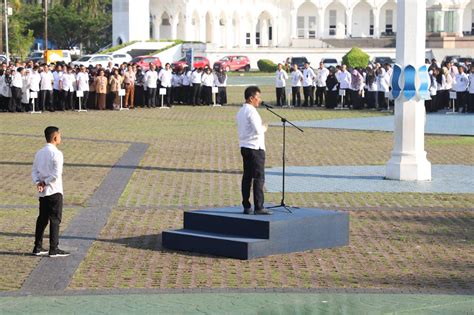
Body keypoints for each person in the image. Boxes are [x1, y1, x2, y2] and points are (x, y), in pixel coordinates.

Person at [31, 126, 69, 257]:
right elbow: (56, 174)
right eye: (59, 136)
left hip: (43, 192)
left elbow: (34, 171)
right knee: (55, 219)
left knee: (42, 218)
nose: (60, 138)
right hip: (54, 190)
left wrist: (38, 182)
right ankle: (54, 247)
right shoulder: (57, 154)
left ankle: (37, 246)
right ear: (55, 137)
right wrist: (45, 182)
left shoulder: (39, 152)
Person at [236, 86, 271, 215]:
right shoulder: (252, 111)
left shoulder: (241, 111)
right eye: (258, 97)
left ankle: (246, 205)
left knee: (247, 177)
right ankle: (259, 206)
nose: (259, 100)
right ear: (251, 98)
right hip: (255, 148)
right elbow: (257, 130)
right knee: (258, 177)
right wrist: (264, 128)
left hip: (244, 146)